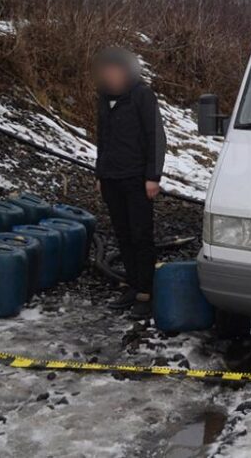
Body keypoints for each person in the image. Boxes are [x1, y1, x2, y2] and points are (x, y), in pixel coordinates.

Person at [93, 47, 167, 318]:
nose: (110, 75)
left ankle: (146, 292)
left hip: (137, 178)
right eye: (106, 71)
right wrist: (100, 173)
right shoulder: (104, 97)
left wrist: (153, 177)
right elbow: (102, 138)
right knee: (122, 234)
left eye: (115, 71)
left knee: (141, 235)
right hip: (111, 177)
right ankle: (132, 285)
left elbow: (156, 137)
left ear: (126, 71)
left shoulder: (142, 95)